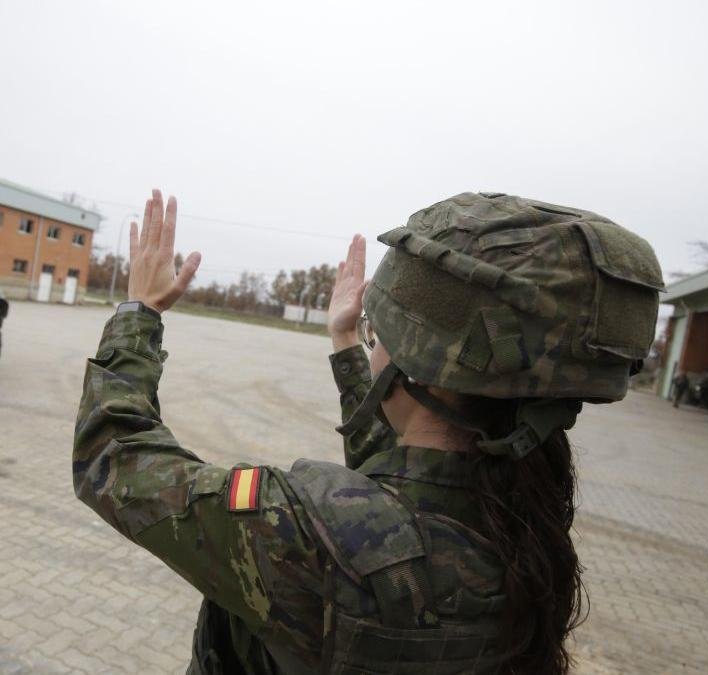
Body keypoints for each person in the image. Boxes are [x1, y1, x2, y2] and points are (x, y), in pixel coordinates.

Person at [74, 190, 663, 674]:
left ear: (413, 364)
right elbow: (397, 493)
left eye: (379, 337)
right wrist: (346, 345)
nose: (371, 344)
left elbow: (114, 462)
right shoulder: (521, 518)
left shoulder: (300, 533)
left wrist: (139, 314)